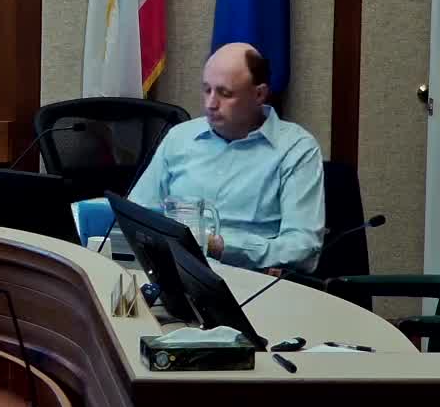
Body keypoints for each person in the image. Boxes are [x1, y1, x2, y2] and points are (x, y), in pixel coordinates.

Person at [127, 43, 325, 272]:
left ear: (259, 94)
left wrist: (220, 246)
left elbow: (303, 248)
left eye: (225, 94)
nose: (210, 104)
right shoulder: (180, 138)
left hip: (250, 279)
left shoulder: (296, 149)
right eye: (207, 90)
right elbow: (136, 213)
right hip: (174, 272)